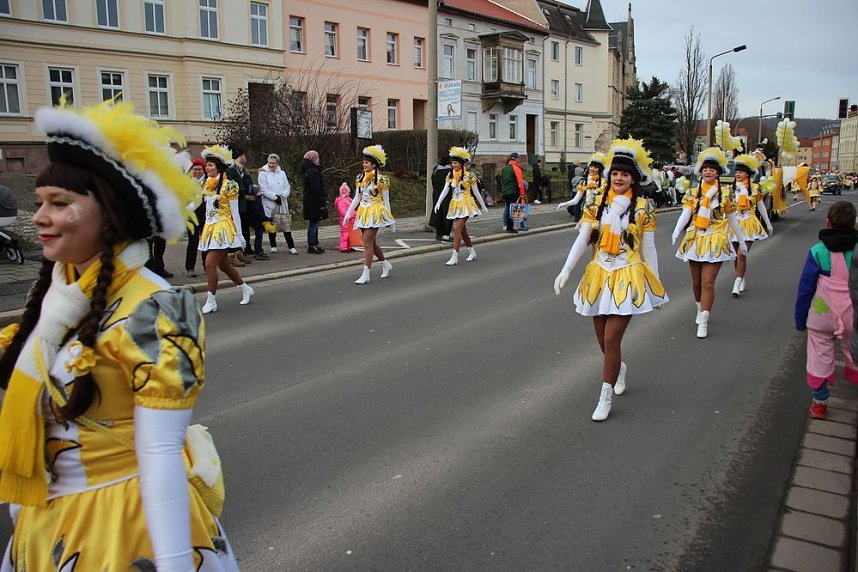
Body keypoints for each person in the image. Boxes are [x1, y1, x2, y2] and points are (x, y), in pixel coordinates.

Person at [0, 100, 238, 570]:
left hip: (121, 526)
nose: (40, 217)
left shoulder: (156, 309)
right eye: (40, 202)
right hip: (44, 524)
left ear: (109, 215)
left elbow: (162, 455)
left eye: (60, 203)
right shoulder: (57, 294)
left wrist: (172, 564)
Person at [553, 137, 667, 422]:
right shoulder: (596, 204)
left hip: (627, 275)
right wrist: (566, 270)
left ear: (633, 178)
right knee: (603, 342)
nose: (619, 177)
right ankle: (619, 368)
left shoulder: (643, 207)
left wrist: (656, 283)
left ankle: (604, 396)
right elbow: (583, 239)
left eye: (625, 174)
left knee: (612, 338)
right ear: (609, 175)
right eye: (615, 172)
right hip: (599, 275)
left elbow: (649, 247)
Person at [672, 147, 746, 338]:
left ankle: (704, 319)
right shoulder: (693, 193)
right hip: (696, 238)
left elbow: (732, 219)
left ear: (719, 172)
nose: (708, 171)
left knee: (708, 282)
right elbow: (686, 213)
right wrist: (677, 230)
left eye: (712, 168)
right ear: (700, 171)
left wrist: (741, 241)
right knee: (696, 282)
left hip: (716, 239)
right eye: (705, 168)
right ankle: (699, 308)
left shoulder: (726, 194)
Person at [796, 201, 858, 420]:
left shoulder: (818, 251)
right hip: (852, 314)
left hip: (821, 314)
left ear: (828, 223)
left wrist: (800, 319)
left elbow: (805, 288)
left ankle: (820, 403)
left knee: (819, 355)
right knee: (854, 351)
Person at [198, 145, 255, 313]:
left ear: (218, 166)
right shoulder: (206, 184)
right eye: (206, 164)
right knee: (224, 266)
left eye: (210, 164)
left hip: (223, 228)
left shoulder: (230, 186)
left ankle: (211, 300)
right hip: (209, 227)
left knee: (209, 264)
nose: (206, 167)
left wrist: (240, 235)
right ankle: (245, 288)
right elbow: (195, 203)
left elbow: (235, 213)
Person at [343, 145, 395, 284]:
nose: (364, 164)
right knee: (372, 242)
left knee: (366, 242)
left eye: (367, 162)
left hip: (375, 212)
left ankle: (366, 274)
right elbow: (357, 197)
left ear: (374, 164)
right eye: (364, 162)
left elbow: (386, 200)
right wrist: (348, 213)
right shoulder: (360, 178)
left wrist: (390, 220)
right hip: (363, 212)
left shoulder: (382, 180)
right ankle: (385, 263)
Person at [433, 146, 488, 266]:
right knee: (462, 230)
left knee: (457, 228)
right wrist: (438, 202)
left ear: (461, 163)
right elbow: (445, 190)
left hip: (466, 203)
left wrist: (483, 206)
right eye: (452, 163)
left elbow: (476, 192)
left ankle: (454, 256)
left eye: (456, 163)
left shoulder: (469, 176)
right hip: (455, 204)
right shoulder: (450, 175)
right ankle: (472, 251)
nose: (453, 165)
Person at [728, 153, 773, 297]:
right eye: (737, 172)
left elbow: (760, 206)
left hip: (749, 223)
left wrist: (768, 223)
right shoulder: (731, 188)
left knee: (742, 253)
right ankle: (741, 278)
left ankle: (736, 282)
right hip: (735, 223)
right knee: (736, 256)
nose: (738, 174)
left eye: (741, 172)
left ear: (747, 174)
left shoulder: (754, 188)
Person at [227, 147, 265, 262]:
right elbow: (231, 188)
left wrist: (253, 189)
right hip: (236, 204)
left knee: (248, 227)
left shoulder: (244, 171)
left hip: (247, 205)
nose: (245, 158)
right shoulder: (231, 170)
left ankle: (247, 248)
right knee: (238, 228)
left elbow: (247, 185)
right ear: (240, 156)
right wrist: (245, 194)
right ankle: (237, 252)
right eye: (243, 155)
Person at [258, 153, 299, 255]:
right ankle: (273, 246)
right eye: (270, 163)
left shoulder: (282, 173)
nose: (271, 165)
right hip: (270, 203)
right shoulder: (263, 173)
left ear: (277, 163)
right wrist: (274, 197)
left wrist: (282, 196)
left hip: (282, 202)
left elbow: (287, 186)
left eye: (274, 163)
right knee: (272, 225)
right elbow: (263, 189)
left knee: (286, 225)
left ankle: (291, 246)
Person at [558, 153, 608, 217]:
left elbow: (606, 200)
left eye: (595, 167)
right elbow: (575, 200)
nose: (592, 169)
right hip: (587, 214)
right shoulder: (584, 182)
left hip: (600, 214)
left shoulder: (604, 182)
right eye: (591, 166)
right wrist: (564, 204)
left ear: (600, 169)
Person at [184, 158, 207, 277]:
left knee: (206, 242)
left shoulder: (208, 182)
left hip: (205, 216)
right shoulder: (187, 182)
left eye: (200, 169)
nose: (197, 172)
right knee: (192, 242)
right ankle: (190, 268)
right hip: (192, 216)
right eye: (195, 169)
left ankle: (207, 266)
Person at [301, 150, 327, 254]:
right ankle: (312, 244)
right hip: (314, 202)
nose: (318, 160)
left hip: (310, 201)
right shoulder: (313, 172)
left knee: (315, 223)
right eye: (317, 158)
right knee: (314, 224)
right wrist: (321, 203)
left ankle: (315, 243)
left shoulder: (308, 171)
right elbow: (316, 189)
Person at [500, 152, 526, 233]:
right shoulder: (516, 168)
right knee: (513, 210)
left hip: (506, 191)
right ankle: (511, 227)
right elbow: (520, 182)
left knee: (508, 209)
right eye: (518, 158)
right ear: (516, 159)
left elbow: (502, 180)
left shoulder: (505, 168)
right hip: (513, 191)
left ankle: (508, 226)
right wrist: (522, 193)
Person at [430, 156, 453, 242]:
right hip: (447, 195)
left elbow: (433, 182)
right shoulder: (450, 172)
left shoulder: (435, 171)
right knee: (447, 215)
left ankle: (438, 234)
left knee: (438, 214)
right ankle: (446, 234)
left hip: (436, 194)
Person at [335, 182, 356, 252]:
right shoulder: (341, 201)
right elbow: (342, 211)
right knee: (345, 233)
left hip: (349, 219)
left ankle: (349, 246)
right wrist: (350, 215)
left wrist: (355, 214)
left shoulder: (348, 199)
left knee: (349, 233)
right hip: (345, 220)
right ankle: (343, 247)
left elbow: (351, 209)